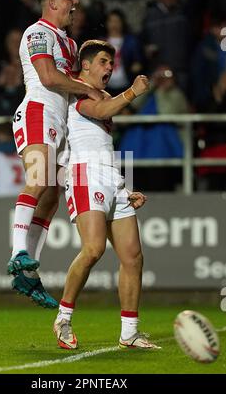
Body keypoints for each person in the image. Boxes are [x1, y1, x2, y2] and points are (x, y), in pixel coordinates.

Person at [53, 40, 160, 350]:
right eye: (103, 61)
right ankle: (63, 317)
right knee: (93, 249)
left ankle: (129, 333)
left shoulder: (104, 95)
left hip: (110, 177)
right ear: (85, 66)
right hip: (85, 175)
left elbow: (101, 140)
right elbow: (100, 109)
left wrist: (122, 188)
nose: (109, 67)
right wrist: (132, 92)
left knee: (133, 257)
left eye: (111, 63)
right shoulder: (79, 92)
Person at [8, 0, 103, 308]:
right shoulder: (37, 33)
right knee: (37, 180)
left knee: (50, 198)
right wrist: (87, 90)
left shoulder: (71, 44)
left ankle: (28, 273)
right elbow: (49, 78)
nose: (74, 3)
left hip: (60, 120)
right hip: (38, 111)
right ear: (52, 4)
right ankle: (18, 252)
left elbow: (73, 82)